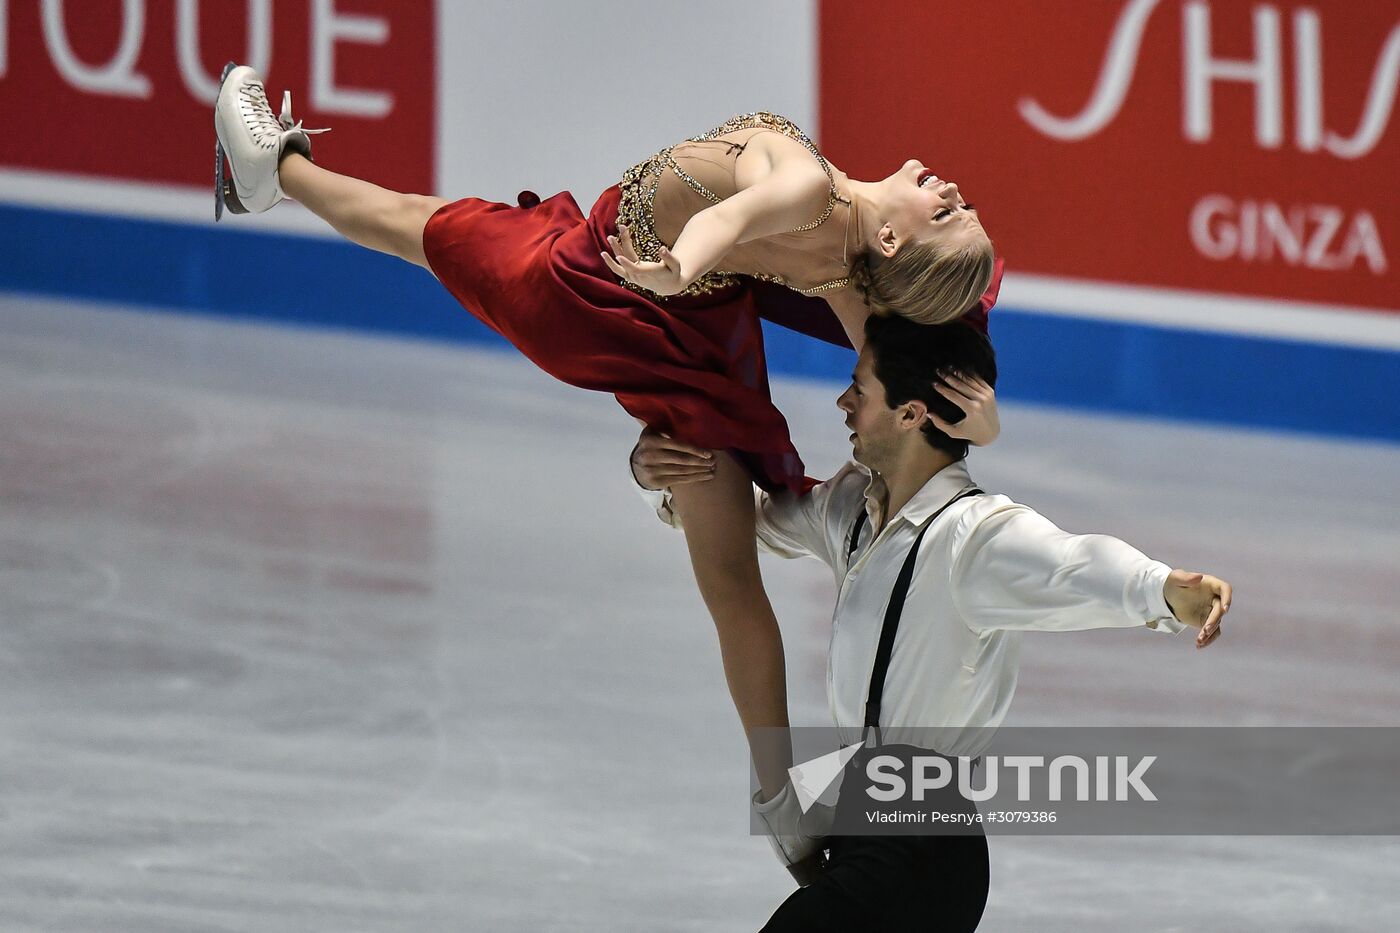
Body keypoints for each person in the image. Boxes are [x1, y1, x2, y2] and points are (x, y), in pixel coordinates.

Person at [212, 63, 1001, 800]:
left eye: (946, 209)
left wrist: (981, 421)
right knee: (420, 227)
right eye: (959, 205)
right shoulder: (831, 217)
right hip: (626, 280)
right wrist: (682, 270)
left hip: (607, 296)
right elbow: (738, 215)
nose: (957, 187)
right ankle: (272, 172)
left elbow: (749, 234)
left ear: (894, 241)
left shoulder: (830, 228)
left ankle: (778, 798)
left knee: (730, 576)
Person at [629, 314, 1231, 931]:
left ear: (913, 414)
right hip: (864, 832)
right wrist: (660, 478)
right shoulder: (850, 508)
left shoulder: (975, 536)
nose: (843, 403)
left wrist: (1165, 590)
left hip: (923, 851)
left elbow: (1073, 563)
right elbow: (745, 523)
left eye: (859, 391)